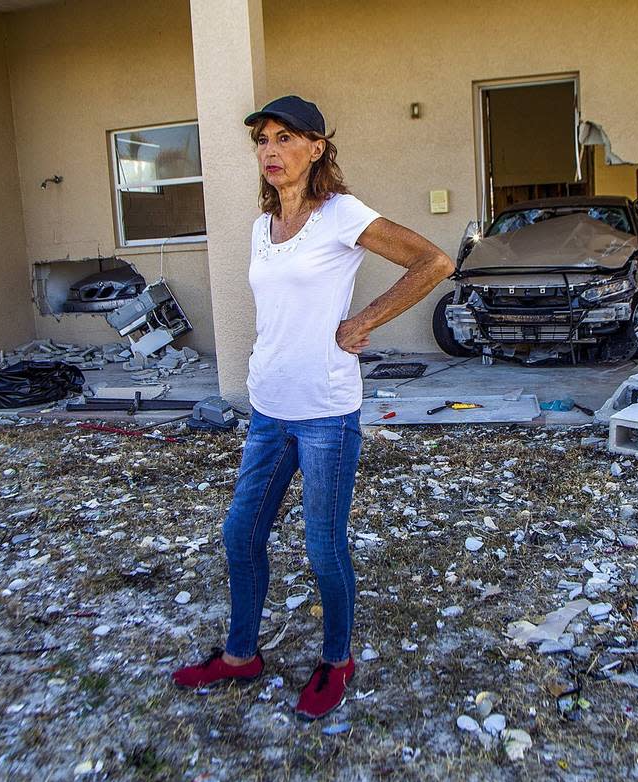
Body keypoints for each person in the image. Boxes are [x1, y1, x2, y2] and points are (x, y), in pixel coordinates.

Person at [172, 96, 455, 720]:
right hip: (269, 410)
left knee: (323, 548)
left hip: (326, 411)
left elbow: (433, 261)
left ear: (316, 148)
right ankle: (242, 656)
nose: (271, 151)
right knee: (240, 535)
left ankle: (336, 660)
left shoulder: (340, 214)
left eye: (286, 138)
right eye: (263, 141)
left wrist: (366, 319)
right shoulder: (261, 226)